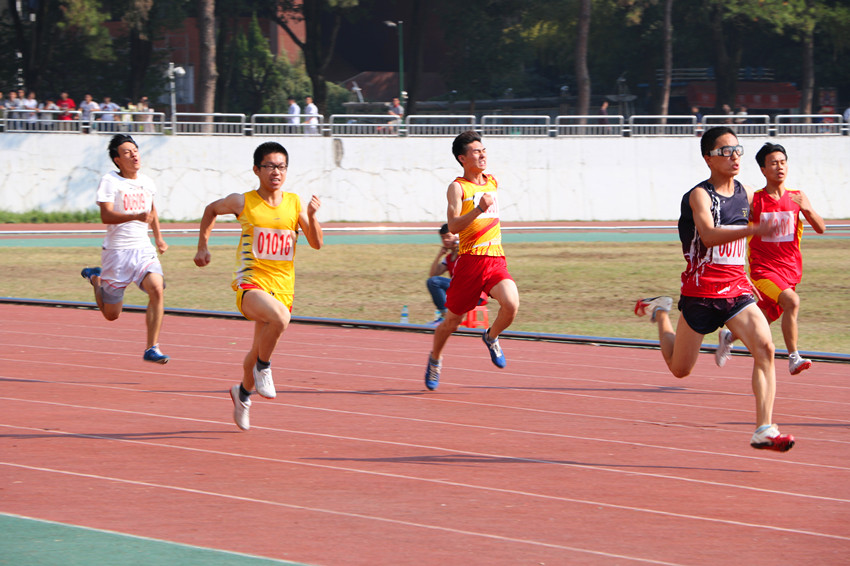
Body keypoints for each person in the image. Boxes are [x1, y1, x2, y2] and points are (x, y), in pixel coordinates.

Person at [634, 126, 794, 452]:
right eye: (725, 151)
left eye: (738, 150)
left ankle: (764, 428)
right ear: (708, 157)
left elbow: (774, 207)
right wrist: (754, 228)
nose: (734, 157)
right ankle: (661, 311)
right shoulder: (699, 195)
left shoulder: (747, 193)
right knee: (680, 370)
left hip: (736, 291)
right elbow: (707, 235)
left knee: (764, 348)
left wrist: (796, 204)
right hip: (701, 293)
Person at [194, 142, 323, 431]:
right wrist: (203, 245)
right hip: (250, 283)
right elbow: (210, 209)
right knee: (280, 319)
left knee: (256, 349)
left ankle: (242, 393)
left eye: (282, 166)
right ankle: (265, 368)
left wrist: (312, 217)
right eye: (270, 166)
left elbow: (316, 243)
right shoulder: (243, 201)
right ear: (257, 169)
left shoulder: (294, 203)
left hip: (283, 288)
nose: (276, 172)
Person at [715, 143, 825, 375]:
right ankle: (794, 357)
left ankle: (729, 335)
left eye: (783, 162)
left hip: (790, 271)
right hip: (763, 270)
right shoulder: (755, 200)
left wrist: (808, 209)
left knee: (765, 316)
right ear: (763, 170)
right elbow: (736, 227)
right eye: (773, 163)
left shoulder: (798, 197)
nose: (779, 167)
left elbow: (821, 228)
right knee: (792, 302)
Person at [424, 130, 520, 391]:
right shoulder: (457, 187)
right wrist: (479, 209)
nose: (482, 155)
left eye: (483, 150)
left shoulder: (492, 182)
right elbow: (453, 226)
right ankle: (435, 358)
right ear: (462, 158)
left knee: (511, 304)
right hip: (470, 263)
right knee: (451, 322)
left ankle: (491, 336)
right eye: (476, 151)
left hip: (495, 258)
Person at [80, 134, 169, 364]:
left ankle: (152, 347)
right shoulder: (110, 181)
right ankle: (96, 278)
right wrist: (135, 215)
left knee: (157, 289)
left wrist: (158, 238)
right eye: (127, 152)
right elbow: (106, 215)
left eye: (135, 150)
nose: (134, 155)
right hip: (117, 254)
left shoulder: (148, 182)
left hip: (142, 250)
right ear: (117, 159)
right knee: (111, 315)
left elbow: (152, 211)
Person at [426, 224, 460, 325]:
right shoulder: (449, 258)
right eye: (442, 238)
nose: (445, 240)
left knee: (434, 282)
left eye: (448, 236)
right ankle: (444, 315)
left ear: (457, 237)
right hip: (458, 288)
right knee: (432, 282)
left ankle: (445, 317)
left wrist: (460, 244)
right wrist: (439, 255)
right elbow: (433, 274)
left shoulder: (465, 251)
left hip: (471, 291)